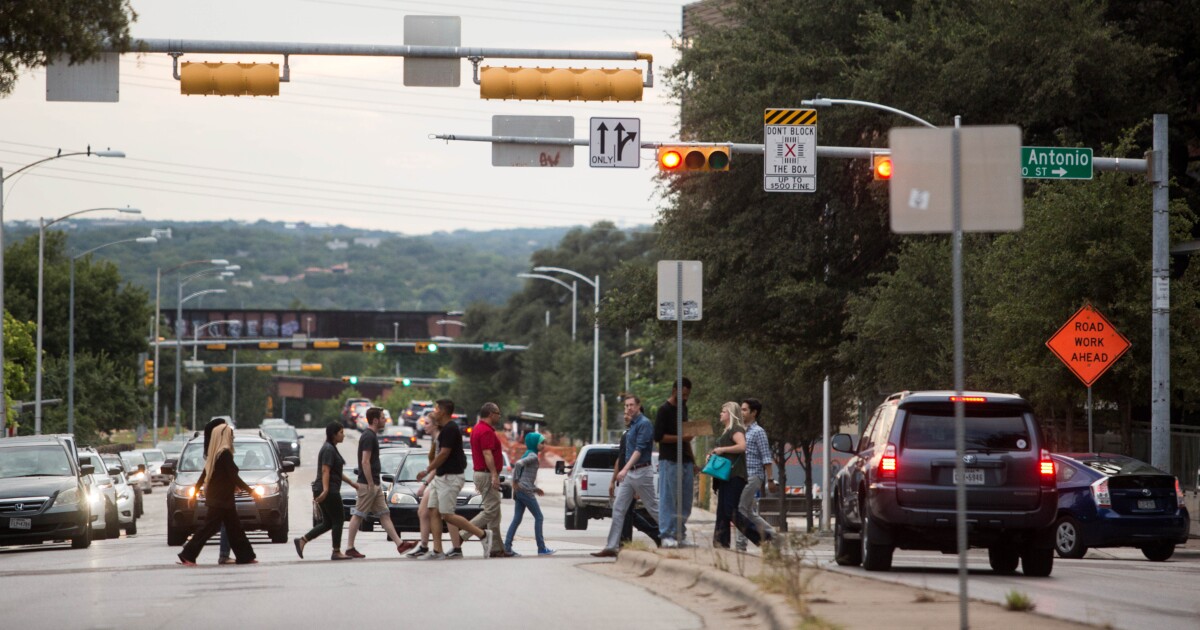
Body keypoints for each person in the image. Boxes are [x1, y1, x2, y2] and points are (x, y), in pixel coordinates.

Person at [415, 399, 493, 560]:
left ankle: (483, 534)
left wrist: (427, 471)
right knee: (433, 511)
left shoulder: (451, 429)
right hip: (440, 477)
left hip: (451, 477)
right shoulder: (444, 430)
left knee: (447, 515)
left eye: (436, 409)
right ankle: (438, 551)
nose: (434, 411)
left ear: (443, 412)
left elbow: (444, 454)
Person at [177, 423, 257, 565]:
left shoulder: (215, 455)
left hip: (222, 499)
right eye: (230, 435)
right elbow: (233, 476)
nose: (232, 438)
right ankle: (188, 554)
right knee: (209, 528)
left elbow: (205, 475)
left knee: (235, 529)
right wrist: (251, 491)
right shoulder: (224, 454)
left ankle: (245, 556)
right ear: (223, 436)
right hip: (220, 500)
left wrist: (195, 493)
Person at [345, 407, 417, 558]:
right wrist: (371, 484)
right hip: (368, 484)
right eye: (383, 417)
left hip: (374, 484)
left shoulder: (372, 436)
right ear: (375, 420)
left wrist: (374, 484)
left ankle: (400, 545)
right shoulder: (368, 436)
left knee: (384, 514)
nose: (385, 420)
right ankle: (350, 547)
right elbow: (365, 462)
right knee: (358, 514)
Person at [592, 395, 658, 558]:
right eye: (626, 406)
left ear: (638, 406)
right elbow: (622, 455)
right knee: (618, 508)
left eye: (631, 405)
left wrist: (624, 470)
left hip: (642, 471)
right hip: (630, 474)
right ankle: (612, 546)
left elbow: (639, 450)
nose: (628, 408)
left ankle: (674, 537)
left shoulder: (644, 424)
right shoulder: (631, 427)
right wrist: (621, 474)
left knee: (653, 508)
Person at [295, 423, 359, 560]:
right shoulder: (329, 449)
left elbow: (336, 472)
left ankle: (302, 540)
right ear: (334, 435)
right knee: (339, 519)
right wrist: (326, 490)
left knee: (328, 523)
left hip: (326, 489)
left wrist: (352, 483)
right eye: (341, 432)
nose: (343, 435)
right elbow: (325, 470)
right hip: (329, 490)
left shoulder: (331, 448)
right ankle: (336, 551)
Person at [710, 401, 762, 549]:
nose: (721, 414)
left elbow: (742, 446)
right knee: (722, 511)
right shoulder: (726, 431)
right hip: (725, 476)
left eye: (724, 411)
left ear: (731, 414)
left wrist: (722, 450)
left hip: (735, 476)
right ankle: (721, 542)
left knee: (730, 510)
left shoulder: (736, 429)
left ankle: (762, 537)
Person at [655, 378, 695, 548]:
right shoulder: (663, 410)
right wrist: (681, 438)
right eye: (683, 394)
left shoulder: (684, 408)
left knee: (685, 500)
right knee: (669, 498)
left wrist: (693, 461)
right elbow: (659, 437)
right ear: (674, 391)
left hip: (685, 460)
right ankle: (666, 534)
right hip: (669, 460)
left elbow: (686, 437)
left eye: (687, 395)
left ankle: (680, 534)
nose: (685, 398)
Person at [503, 432, 554, 556]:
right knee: (539, 517)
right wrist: (514, 481)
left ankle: (507, 547)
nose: (543, 445)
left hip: (521, 490)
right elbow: (518, 464)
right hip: (525, 491)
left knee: (517, 519)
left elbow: (526, 477)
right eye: (541, 443)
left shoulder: (529, 453)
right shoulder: (533, 456)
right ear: (535, 443)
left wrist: (535, 489)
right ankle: (541, 548)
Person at [468, 402, 506, 557]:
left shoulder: (478, 428)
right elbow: (487, 454)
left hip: (482, 473)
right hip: (486, 474)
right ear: (491, 414)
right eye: (498, 413)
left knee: (495, 514)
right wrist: (494, 475)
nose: (499, 416)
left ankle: (496, 548)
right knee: (491, 511)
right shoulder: (485, 431)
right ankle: (463, 533)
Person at [615, 421, 662, 547]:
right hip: (624, 480)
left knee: (626, 511)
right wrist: (613, 480)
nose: (625, 417)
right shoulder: (626, 434)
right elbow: (620, 458)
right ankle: (655, 534)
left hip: (633, 478)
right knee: (626, 511)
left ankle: (625, 542)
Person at [739, 398, 777, 545]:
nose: (741, 412)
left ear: (754, 413)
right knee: (749, 512)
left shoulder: (758, 432)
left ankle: (741, 543)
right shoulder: (741, 431)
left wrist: (770, 479)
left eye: (744, 410)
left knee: (740, 508)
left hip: (753, 475)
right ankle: (775, 537)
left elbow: (766, 457)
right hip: (742, 475)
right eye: (741, 409)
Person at [406, 421, 444, 558]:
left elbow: (438, 466)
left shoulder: (439, 439)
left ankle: (453, 546)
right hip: (436, 480)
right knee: (424, 512)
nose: (424, 425)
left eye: (427, 423)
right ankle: (425, 546)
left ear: (435, 425)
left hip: (439, 480)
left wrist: (425, 483)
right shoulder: (435, 440)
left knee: (446, 515)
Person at [200, 416, 234, 565]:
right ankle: (223, 555)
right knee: (216, 526)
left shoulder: (212, 451)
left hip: (219, 495)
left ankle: (229, 554)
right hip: (221, 496)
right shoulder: (221, 452)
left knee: (220, 525)